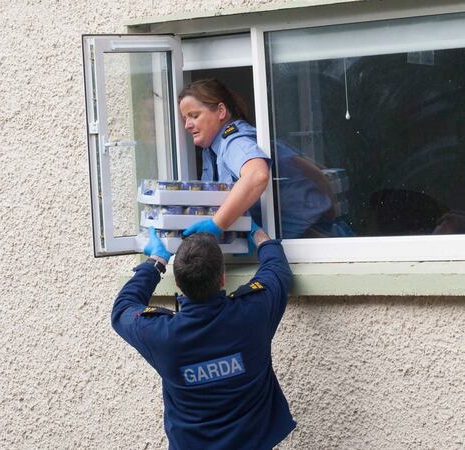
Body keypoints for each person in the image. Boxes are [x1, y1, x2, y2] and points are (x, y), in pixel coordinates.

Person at [111, 225, 296, 449]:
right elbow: (277, 269)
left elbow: (123, 309)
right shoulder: (254, 313)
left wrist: (156, 262)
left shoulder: (162, 336)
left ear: (178, 283)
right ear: (223, 278)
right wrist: (253, 229)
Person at [178, 78, 350, 240]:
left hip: (308, 235)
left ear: (221, 111)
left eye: (194, 115)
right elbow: (308, 168)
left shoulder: (234, 141)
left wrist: (217, 224)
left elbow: (257, 175)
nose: (187, 125)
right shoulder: (212, 148)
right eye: (185, 118)